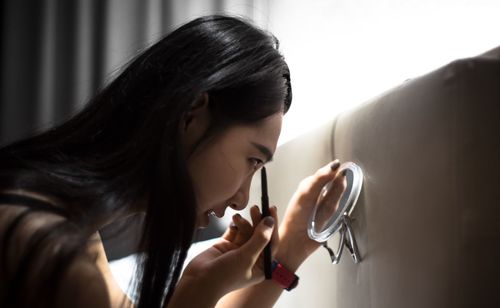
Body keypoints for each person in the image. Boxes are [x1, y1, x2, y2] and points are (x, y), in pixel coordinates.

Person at [0, 15, 346, 308]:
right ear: (191, 114)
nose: (241, 198)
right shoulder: (57, 257)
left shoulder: (71, 231)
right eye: (252, 159)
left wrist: (289, 249)